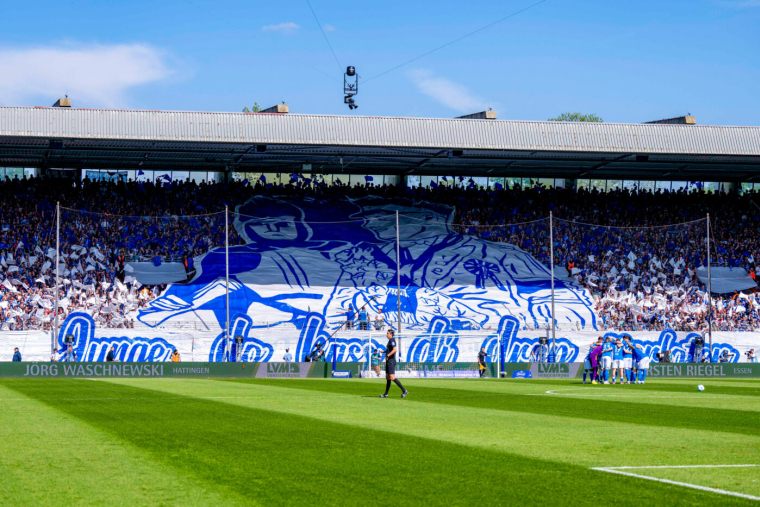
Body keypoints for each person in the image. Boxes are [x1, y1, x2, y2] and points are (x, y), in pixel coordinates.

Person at [379, 330, 408, 398]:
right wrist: (384, 351)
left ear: (391, 334)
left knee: (392, 377)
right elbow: (390, 349)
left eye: (387, 333)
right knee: (388, 377)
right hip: (388, 361)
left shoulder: (392, 340)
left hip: (391, 361)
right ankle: (386, 394)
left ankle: (404, 391)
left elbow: (395, 349)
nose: (386, 334)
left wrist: (388, 355)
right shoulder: (390, 341)